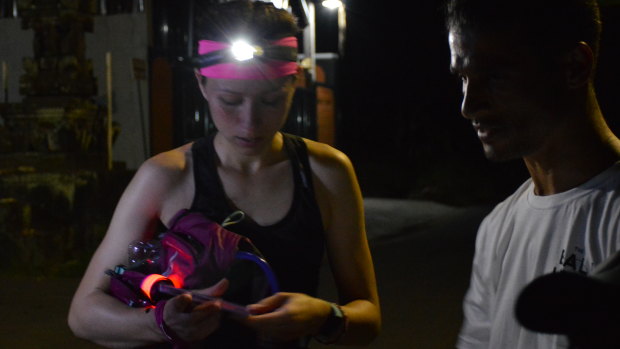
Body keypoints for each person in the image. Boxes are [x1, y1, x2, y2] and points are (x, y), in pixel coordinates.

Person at [68, 1, 381, 348]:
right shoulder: (166, 176)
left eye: (271, 101)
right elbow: (83, 314)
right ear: (201, 83)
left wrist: (326, 316)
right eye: (230, 101)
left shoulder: (327, 173)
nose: (250, 123)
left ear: (295, 82)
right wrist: (160, 323)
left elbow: (368, 317)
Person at [445, 0, 620, 348]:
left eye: (494, 76)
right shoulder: (497, 227)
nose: (468, 106)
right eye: (464, 78)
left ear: (574, 67)